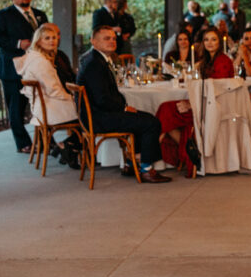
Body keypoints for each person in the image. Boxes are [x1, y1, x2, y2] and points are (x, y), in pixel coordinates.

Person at [76, 26, 171, 183]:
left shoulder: (97, 59)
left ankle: (131, 163)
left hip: (96, 113)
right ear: (93, 41)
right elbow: (102, 99)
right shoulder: (94, 64)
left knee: (143, 117)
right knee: (151, 123)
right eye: (106, 38)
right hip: (98, 118)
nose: (112, 42)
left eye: (114, 38)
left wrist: (124, 107)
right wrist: (124, 108)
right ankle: (146, 169)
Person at [157, 27, 232, 176]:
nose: (209, 43)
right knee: (165, 109)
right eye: (206, 39)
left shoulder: (222, 61)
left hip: (211, 108)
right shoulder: (207, 60)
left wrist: (191, 104)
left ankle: (152, 153)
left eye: (213, 39)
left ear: (219, 42)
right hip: (203, 103)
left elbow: (216, 90)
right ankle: (186, 151)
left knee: (166, 110)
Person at [0, 0, 48, 153]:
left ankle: (44, 140)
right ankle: (23, 144)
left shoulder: (39, 15)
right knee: (16, 108)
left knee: (41, 105)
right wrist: (17, 43)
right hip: (13, 70)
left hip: (37, 68)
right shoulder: (3, 15)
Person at [14, 23, 81, 169]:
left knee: (89, 112)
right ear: (38, 41)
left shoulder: (33, 57)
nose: (52, 41)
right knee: (90, 115)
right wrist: (72, 98)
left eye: (54, 38)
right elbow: (54, 90)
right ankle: (70, 146)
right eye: (47, 38)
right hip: (50, 108)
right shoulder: (40, 62)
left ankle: (68, 146)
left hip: (42, 106)